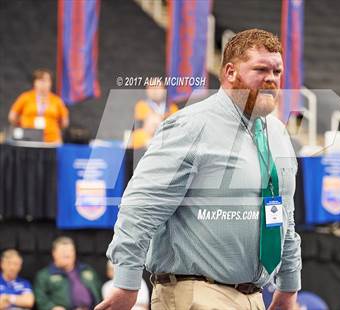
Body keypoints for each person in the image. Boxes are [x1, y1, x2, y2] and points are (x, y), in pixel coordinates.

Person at [96, 29, 301, 310]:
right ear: (230, 72)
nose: (272, 79)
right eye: (260, 69)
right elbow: (140, 208)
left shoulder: (277, 133)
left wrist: (288, 287)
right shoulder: (191, 125)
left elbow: (284, 215)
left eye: (277, 71)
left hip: (254, 298)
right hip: (195, 294)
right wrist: (127, 283)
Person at [34, 236, 102, 310]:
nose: (67, 254)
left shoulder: (87, 270)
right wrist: (52, 307)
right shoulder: (44, 275)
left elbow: (99, 291)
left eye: (70, 251)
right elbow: (40, 298)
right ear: (54, 253)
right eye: (63, 251)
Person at [8, 69, 69, 143]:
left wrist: (53, 127)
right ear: (35, 82)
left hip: (52, 139)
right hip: (28, 138)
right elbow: (12, 116)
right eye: (40, 80)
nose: (43, 84)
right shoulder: (25, 97)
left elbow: (64, 122)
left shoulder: (57, 100)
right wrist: (22, 124)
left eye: (46, 81)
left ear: (50, 83)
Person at [130, 78, 178, 149]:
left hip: (166, 137)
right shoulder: (142, 105)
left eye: (158, 87)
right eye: (152, 87)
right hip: (146, 137)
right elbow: (142, 126)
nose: (155, 91)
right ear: (147, 90)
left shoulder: (172, 107)